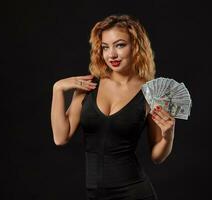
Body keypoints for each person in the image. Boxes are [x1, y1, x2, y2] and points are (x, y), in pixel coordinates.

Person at [51, 14, 175, 200]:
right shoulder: (89, 86)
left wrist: (168, 134)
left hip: (135, 192)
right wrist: (57, 89)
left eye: (120, 45)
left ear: (136, 46)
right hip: (95, 195)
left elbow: (157, 157)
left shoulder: (151, 94)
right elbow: (61, 137)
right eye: (105, 47)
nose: (112, 55)